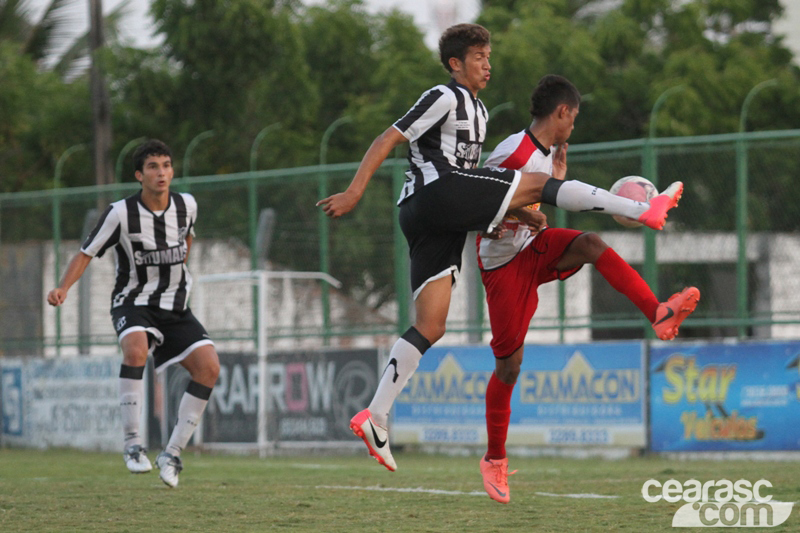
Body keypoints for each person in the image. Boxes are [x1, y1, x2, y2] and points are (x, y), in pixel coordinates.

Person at [317, 24, 683, 473]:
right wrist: (355, 191)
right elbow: (388, 138)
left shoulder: (481, 112)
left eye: (489, 56)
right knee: (543, 184)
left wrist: (513, 213)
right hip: (434, 195)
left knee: (430, 326)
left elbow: (481, 189)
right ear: (455, 64)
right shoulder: (445, 96)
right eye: (478, 57)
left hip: (440, 220)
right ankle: (643, 209)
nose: (487, 64)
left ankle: (374, 416)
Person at [476, 75, 700, 504]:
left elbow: (535, 196)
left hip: (533, 249)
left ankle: (658, 311)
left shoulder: (543, 156)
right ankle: (494, 459)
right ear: (561, 113)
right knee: (509, 367)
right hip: (502, 267)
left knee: (592, 244)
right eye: (573, 119)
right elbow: (481, 206)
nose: (572, 128)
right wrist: (527, 215)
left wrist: (553, 183)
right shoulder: (513, 151)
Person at [47, 139, 220, 488]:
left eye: (167, 165)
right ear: (139, 175)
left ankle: (172, 454)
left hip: (175, 306)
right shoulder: (120, 213)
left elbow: (187, 239)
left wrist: (178, 270)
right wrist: (64, 287)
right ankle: (132, 444)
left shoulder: (187, 205)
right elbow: (85, 253)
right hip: (132, 301)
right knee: (136, 348)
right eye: (153, 167)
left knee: (209, 368)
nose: (162, 173)